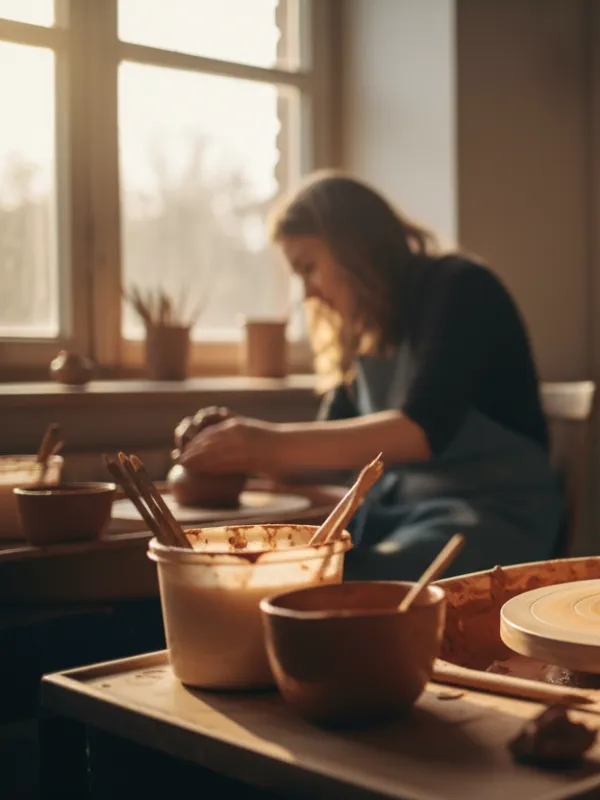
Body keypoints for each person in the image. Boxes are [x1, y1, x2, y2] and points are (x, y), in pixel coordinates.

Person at [178, 172, 562, 580]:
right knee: (282, 569)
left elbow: (421, 430)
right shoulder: (367, 330)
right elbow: (322, 455)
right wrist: (233, 447)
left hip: (489, 514)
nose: (307, 292)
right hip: (401, 513)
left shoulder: (458, 287)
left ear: (353, 250)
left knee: (337, 582)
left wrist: (263, 442)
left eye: (309, 268)